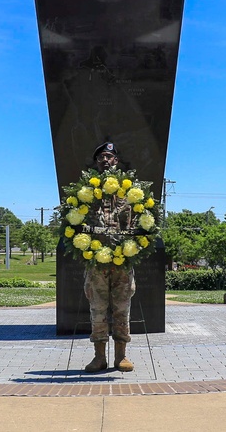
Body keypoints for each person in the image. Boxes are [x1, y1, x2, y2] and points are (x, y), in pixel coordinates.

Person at [83, 142, 136, 373]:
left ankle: (121, 356)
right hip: (97, 263)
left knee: (122, 308)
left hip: (122, 262)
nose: (105, 160)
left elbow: (138, 222)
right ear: (96, 162)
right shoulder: (85, 191)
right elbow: (76, 221)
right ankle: (99, 357)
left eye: (109, 157)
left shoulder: (129, 190)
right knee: (98, 309)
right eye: (101, 157)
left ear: (116, 161)